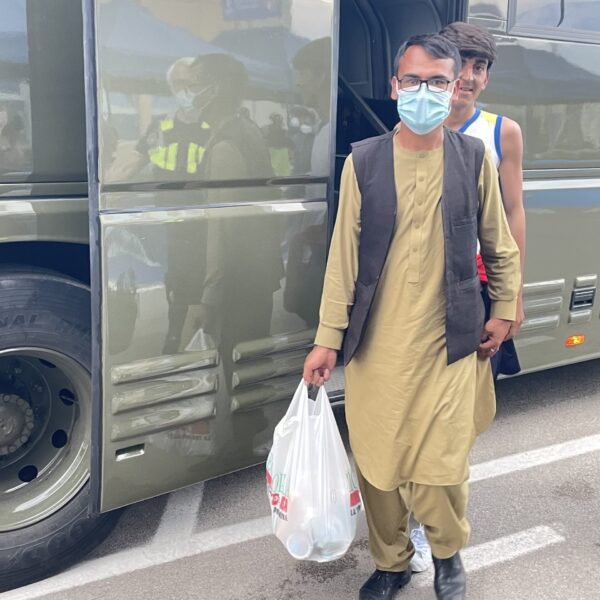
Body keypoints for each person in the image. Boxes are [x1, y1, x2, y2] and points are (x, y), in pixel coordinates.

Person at [303, 33, 520, 600]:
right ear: (395, 86)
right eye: (414, 80)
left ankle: (447, 556)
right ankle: (391, 563)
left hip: (451, 344)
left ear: (453, 89)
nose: (426, 91)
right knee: (378, 466)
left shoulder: (473, 158)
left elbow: (498, 243)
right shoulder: (364, 162)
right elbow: (343, 260)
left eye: (438, 82)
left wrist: (504, 307)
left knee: (439, 467)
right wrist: (327, 339)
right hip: (377, 348)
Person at [440, 21, 526, 378]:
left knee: (475, 382)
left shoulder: (502, 131)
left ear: (487, 78)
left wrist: (513, 297)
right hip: (422, 281)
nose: (468, 76)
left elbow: (513, 212)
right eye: (460, 64)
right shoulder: (412, 129)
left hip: (478, 283)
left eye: (478, 67)